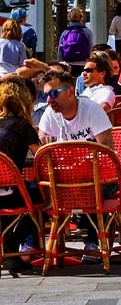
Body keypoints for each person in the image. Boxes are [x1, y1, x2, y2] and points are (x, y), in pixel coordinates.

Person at [37, 70, 115, 259]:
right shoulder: (50, 114)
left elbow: (106, 149)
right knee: (34, 189)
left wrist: (76, 160)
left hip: (99, 176)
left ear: (70, 91)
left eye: (53, 94)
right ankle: (31, 245)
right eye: (46, 95)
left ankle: (92, 242)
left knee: (91, 187)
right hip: (65, 178)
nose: (49, 100)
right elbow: (42, 145)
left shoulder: (91, 110)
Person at [0, 77, 41, 273]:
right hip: (7, 193)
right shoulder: (22, 126)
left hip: (5, 190)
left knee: (19, 195)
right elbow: (42, 157)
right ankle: (11, 251)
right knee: (42, 199)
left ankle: (9, 252)